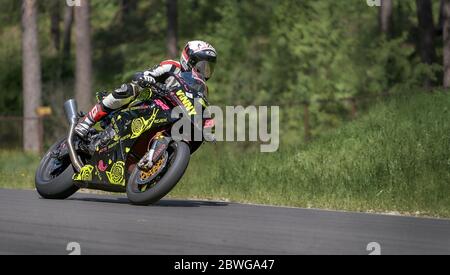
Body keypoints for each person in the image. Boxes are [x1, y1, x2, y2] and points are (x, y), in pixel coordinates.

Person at [74, 40, 217, 139]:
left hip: (169, 115)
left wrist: (205, 123)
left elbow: (199, 106)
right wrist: (146, 77)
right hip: (148, 100)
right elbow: (149, 73)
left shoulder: (200, 88)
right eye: (201, 66)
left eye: (207, 68)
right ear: (189, 60)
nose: (203, 71)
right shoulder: (172, 66)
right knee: (131, 89)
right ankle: (87, 121)